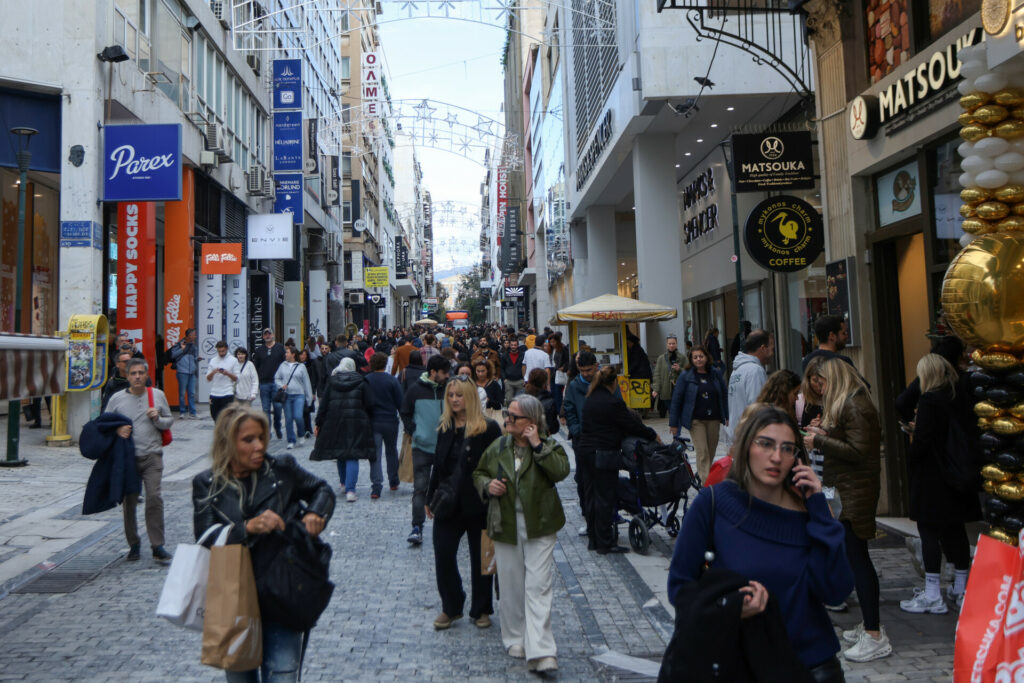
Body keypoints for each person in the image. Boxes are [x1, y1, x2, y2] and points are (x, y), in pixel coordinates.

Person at [667, 405, 854, 681]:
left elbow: (835, 590)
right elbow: (680, 586)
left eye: (788, 448)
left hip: (810, 666)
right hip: (740, 664)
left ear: (796, 458)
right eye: (766, 444)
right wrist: (731, 609)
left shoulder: (806, 511)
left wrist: (818, 508)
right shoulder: (713, 504)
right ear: (746, 446)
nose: (776, 457)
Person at [191, 404, 335, 683]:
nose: (258, 446)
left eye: (261, 437)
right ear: (228, 443)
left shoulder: (282, 469)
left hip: (283, 589)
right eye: (248, 440)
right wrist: (247, 528)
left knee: (282, 675)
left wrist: (317, 512)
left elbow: (322, 489)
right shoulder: (207, 483)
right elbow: (204, 537)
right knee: (240, 677)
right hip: (234, 596)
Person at [473, 394, 569, 673]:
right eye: (507, 414)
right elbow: (478, 473)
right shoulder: (498, 446)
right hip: (505, 524)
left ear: (531, 421)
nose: (507, 419)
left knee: (538, 586)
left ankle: (542, 651)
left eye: (514, 416)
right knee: (512, 585)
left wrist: (538, 445)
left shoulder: (549, 446)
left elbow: (560, 472)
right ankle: (515, 636)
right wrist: (488, 485)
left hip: (540, 525)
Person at [803, 358, 890, 662]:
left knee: (858, 558)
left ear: (834, 379)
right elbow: (854, 443)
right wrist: (826, 435)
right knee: (855, 556)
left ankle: (875, 633)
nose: (821, 389)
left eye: (822, 383)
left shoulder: (855, 405)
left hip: (856, 491)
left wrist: (821, 441)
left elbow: (859, 451)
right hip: (849, 488)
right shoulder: (851, 404)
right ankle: (869, 625)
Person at [898, 354, 980, 614]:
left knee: (929, 531)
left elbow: (922, 444)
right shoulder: (959, 397)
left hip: (933, 477)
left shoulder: (930, 400)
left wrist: (913, 434)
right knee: (955, 530)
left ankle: (933, 593)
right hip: (958, 475)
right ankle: (961, 586)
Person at [426, 376, 502, 630]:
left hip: (479, 503)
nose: (454, 399)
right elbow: (438, 465)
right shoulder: (445, 426)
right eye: (450, 395)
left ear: (469, 397)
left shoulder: (488, 428)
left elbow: (498, 466)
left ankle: (481, 608)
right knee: (443, 554)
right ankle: (451, 605)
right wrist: (429, 498)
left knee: (483, 559)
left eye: (459, 395)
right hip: (449, 502)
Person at [578, 366, 659, 554]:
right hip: (604, 454)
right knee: (605, 497)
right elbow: (632, 425)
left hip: (585, 453)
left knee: (591, 496)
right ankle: (605, 543)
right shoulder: (612, 403)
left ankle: (594, 540)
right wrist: (652, 434)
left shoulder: (590, 399)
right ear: (614, 382)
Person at [106, 358, 174, 564]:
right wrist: (116, 430)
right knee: (130, 502)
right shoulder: (116, 399)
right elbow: (104, 424)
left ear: (146, 375)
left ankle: (157, 545)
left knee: (154, 497)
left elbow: (169, 420)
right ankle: (134, 543)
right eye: (133, 373)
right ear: (127, 376)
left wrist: (158, 419)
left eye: (140, 373)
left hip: (152, 456)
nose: (137, 377)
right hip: (127, 459)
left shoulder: (157, 395)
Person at [400, 355, 450, 545]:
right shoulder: (415, 390)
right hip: (421, 446)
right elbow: (404, 412)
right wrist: (415, 431)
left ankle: (446, 525)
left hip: (445, 447)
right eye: (444, 373)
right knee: (420, 489)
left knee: (446, 487)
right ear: (433, 372)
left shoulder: (448, 389)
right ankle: (417, 527)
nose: (447, 376)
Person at [311, 358, 376, 502]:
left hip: (335, 421)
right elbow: (370, 403)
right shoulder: (361, 381)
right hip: (356, 421)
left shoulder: (332, 382)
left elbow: (324, 405)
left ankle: (343, 483)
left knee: (340, 451)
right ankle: (351, 490)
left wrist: (318, 423)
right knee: (352, 454)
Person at [669, 345, 727, 481]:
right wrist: (673, 423)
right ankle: (707, 486)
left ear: (707, 357)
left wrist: (726, 414)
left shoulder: (715, 373)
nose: (698, 359)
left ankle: (702, 474)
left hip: (714, 418)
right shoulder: (685, 376)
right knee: (703, 452)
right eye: (695, 357)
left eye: (701, 356)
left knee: (711, 451)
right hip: (695, 420)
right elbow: (677, 399)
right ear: (691, 359)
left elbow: (724, 394)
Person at [563, 350, 599, 534]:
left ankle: (604, 517)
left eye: (589, 370)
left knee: (603, 480)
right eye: (583, 370)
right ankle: (588, 516)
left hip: (603, 440)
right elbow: (569, 409)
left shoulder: (605, 383)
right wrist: (576, 431)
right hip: (582, 441)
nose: (586, 374)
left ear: (596, 367)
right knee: (584, 481)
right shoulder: (574, 386)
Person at [365, 352, 404, 498]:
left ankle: (376, 486)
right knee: (391, 451)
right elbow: (400, 403)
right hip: (390, 421)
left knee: (375, 454)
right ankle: (393, 480)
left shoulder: (367, 380)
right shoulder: (392, 381)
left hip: (374, 421)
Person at [726, 329, 773, 442]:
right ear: (763, 348)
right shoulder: (755, 370)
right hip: (750, 436)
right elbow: (757, 406)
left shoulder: (738, 369)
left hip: (738, 434)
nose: (773, 353)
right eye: (772, 349)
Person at [274, 346, 314, 450]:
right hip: (287, 395)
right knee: (288, 419)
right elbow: (277, 378)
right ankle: (291, 440)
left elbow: (306, 383)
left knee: (298, 416)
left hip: (299, 395)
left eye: (287, 352)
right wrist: (281, 385)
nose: (285, 354)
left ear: (293, 354)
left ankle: (301, 433)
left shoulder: (301, 367)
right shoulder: (282, 365)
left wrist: (309, 398)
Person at [254, 329, 286, 439]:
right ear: (263, 337)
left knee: (277, 407)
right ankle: (267, 432)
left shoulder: (280, 348)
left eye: (269, 334)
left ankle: (277, 425)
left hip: (277, 383)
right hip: (264, 383)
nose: (267, 336)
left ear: (273, 335)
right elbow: (256, 367)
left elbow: (284, 364)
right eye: (265, 334)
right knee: (266, 409)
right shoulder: (259, 350)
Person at [169, 328, 200, 419]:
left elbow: (194, 358)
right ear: (189, 335)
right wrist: (182, 349)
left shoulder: (194, 346)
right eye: (194, 334)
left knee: (191, 393)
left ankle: (192, 413)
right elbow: (173, 355)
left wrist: (197, 359)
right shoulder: (179, 344)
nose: (195, 336)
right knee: (182, 393)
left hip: (192, 372)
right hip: (182, 372)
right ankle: (182, 412)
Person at [651, 334, 684, 419]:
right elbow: (657, 375)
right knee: (672, 411)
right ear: (666, 344)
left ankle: (676, 430)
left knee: (676, 412)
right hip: (666, 391)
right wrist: (656, 389)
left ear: (676, 344)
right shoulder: (661, 358)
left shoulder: (682, 357)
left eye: (673, 343)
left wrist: (680, 369)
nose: (671, 345)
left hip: (679, 389)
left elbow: (689, 373)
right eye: (669, 343)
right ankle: (675, 429)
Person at [206, 341, 240, 422]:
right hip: (214, 393)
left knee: (227, 418)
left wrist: (227, 373)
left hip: (227, 392)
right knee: (215, 416)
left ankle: (226, 433)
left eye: (223, 351)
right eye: (219, 351)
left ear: (227, 349)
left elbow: (237, 379)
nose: (221, 353)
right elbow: (208, 379)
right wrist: (213, 372)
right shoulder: (213, 360)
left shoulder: (233, 360)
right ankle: (219, 433)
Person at [523, 368, 558, 437]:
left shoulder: (520, 396)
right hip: (541, 437)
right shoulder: (549, 402)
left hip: (522, 435)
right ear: (544, 383)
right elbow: (553, 427)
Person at [549, 333, 570, 419]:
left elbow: (568, 360)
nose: (552, 344)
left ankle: (560, 411)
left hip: (560, 373)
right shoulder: (552, 350)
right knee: (554, 392)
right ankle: (557, 410)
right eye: (551, 342)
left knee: (558, 393)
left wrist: (563, 367)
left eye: (554, 342)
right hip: (553, 373)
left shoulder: (563, 349)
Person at [500, 337, 526, 405]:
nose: (513, 346)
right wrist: (504, 379)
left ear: (517, 345)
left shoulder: (523, 355)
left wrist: (524, 379)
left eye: (515, 345)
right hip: (508, 381)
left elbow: (525, 367)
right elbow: (502, 368)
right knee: (508, 400)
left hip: (520, 380)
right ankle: (510, 414)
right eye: (512, 345)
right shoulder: (505, 355)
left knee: (520, 400)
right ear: (510, 345)